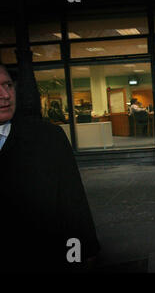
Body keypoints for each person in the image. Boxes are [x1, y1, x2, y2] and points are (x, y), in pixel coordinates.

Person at [0, 65, 100, 272]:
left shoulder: (48, 138)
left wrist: (82, 253)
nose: (5, 95)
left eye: (8, 85)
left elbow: (72, 202)